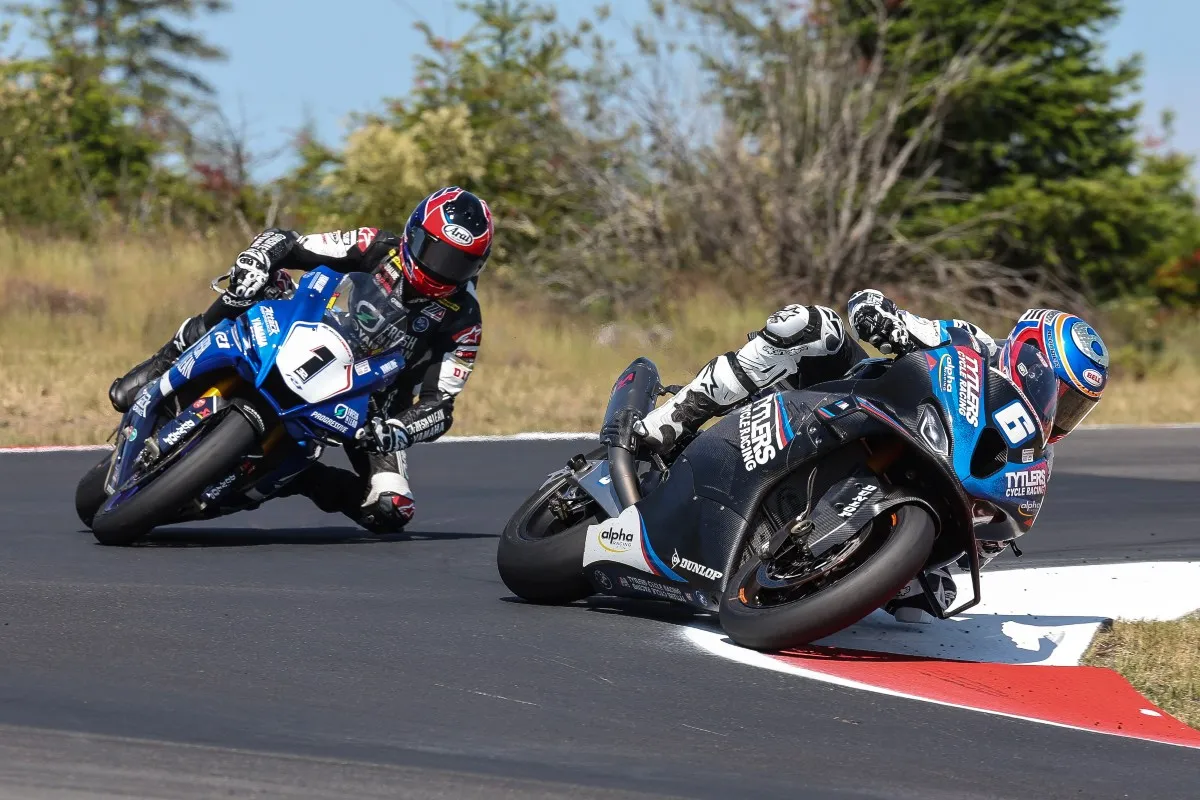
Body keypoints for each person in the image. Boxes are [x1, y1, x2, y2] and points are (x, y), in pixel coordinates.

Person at [635, 289, 1110, 621]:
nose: (1060, 415)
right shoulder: (970, 341)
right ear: (1027, 355)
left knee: (918, 614)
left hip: (904, 486)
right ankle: (674, 421)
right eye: (1060, 395)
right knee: (807, 324)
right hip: (848, 399)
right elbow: (873, 309)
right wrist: (885, 321)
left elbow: (985, 546)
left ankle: (830, 562)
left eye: (1075, 409)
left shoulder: (1029, 458)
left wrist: (940, 561)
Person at [108, 187, 492, 533]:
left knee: (391, 510)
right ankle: (167, 358)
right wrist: (257, 257)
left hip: (368, 404)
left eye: (457, 262)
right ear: (413, 234)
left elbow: (440, 405)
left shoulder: (464, 320)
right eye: (434, 251)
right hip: (308, 331)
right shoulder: (375, 245)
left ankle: (297, 477)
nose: (439, 268)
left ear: (477, 267)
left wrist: (399, 429)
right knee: (251, 284)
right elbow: (290, 243)